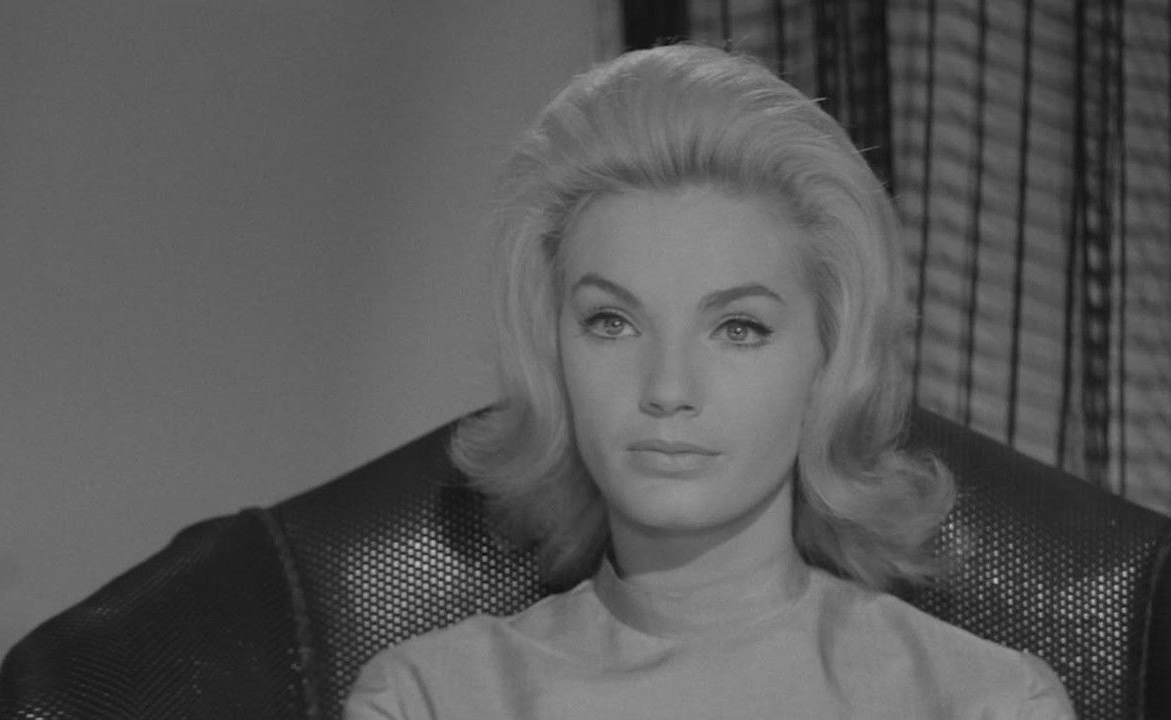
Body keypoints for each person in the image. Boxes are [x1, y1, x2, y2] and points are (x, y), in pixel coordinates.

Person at [343, 44, 1074, 719]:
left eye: (739, 329)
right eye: (610, 322)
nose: (667, 388)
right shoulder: (427, 700)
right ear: (551, 351)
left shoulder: (988, 704)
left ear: (831, 359)